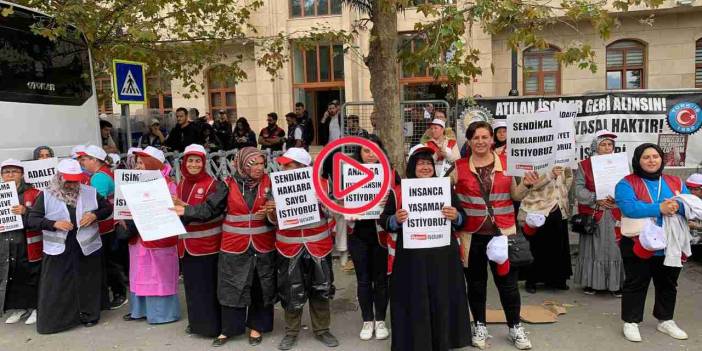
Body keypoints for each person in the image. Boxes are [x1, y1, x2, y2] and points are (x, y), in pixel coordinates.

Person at [175, 146, 276, 347]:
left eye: (261, 163)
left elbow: (281, 214)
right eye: (253, 164)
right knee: (231, 285)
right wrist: (184, 210)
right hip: (233, 245)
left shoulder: (270, 183)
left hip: (263, 244)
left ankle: (257, 326)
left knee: (260, 285)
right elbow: (209, 209)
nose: (258, 168)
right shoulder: (227, 185)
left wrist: (271, 213)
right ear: (242, 165)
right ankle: (230, 328)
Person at [453, 121, 537, 350]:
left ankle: (515, 327)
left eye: (484, 137)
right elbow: (440, 189)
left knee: (508, 284)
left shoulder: (508, 164)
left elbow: (516, 195)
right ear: (469, 141)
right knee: (476, 284)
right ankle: (479, 324)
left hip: (503, 234)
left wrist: (527, 185)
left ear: (492, 139)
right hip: (472, 236)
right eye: (475, 137)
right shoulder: (458, 167)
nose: (480, 141)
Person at [379, 145, 471, 351]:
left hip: (443, 256)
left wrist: (455, 216)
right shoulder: (399, 191)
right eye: (420, 163)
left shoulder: (445, 189)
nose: (425, 167)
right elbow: (383, 221)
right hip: (411, 258)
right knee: (415, 300)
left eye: (429, 163)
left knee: (442, 298)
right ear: (412, 166)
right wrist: (395, 219)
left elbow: (463, 220)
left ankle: (443, 341)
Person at [615, 143, 691, 342]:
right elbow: (630, 208)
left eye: (655, 156)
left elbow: (688, 204)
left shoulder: (674, 181)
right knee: (636, 282)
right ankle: (631, 322)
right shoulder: (626, 183)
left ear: (661, 159)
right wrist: (661, 208)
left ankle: (665, 320)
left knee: (668, 283)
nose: (651, 160)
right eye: (646, 157)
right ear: (638, 160)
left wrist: (675, 207)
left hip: (670, 242)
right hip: (637, 242)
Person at [28, 159, 111, 334]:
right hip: (59, 248)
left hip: (86, 246)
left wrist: (94, 215)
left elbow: (107, 209)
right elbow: (32, 219)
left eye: (76, 180)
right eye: (69, 180)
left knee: (87, 282)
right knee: (59, 285)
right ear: (60, 178)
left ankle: (89, 315)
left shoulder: (90, 191)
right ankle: (61, 320)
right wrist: (53, 223)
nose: (73, 184)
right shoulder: (46, 195)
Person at [268, 148, 339, 350]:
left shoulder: (323, 184)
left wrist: (321, 202)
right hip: (288, 247)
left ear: (302, 167)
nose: (282, 168)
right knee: (291, 291)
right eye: (282, 164)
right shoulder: (276, 186)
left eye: (288, 165)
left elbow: (335, 212)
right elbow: (271, 220)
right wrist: (272, 213)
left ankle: (322, 330)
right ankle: (291, 332)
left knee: (321, 289)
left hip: (318, 246)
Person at [167, 144, 225, 341]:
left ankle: (212, 327)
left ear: (204, 163)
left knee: (208, 288)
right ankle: (197, 324)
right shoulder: (181, 183)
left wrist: (185, 208)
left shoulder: (214, 185)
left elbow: (208, 212)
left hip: (208, 247)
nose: (193, 164)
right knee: (192, 288)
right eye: (190, 160)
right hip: (186, 246)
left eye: (197, 161)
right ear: (183, 163)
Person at [121, 146, 181, 325]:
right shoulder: (132, 183)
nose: (138, 167)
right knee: (140, 271)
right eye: (137, 163)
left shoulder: (169, 184)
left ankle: (161, 313)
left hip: (158, 237)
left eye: (142, 163)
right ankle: (139, 310)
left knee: (158, 274)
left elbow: (170, 211)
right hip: (138, 236)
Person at [346, 135, 391, 341]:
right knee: (363, 279)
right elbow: (340, 203)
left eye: (375, 150)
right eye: (366, 151)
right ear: (360, 154)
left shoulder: (392, 175)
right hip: (358, 235)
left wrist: (387, 202)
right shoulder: (350, 175)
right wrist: (348, 210)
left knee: (381, 280)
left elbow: (400, 202)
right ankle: (367, 320)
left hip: (382, 235)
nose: (371, 154)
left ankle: (380, 319)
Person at [573, 130, 624, 296]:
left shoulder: (622, 164)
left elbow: (628, 185)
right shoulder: (584, 165)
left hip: (616, 212)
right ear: (596, 146)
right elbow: (578, 190)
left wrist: (619, 198)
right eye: (603, 144)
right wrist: (596, 198)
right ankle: (591, 282)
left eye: (610, 144)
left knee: (616, 247)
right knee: (592, 248)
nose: (607, 147)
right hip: (595, 212)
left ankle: (616, 283)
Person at [78, 145, 128, 310]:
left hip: (105, 225)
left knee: (109, 262)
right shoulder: (105, 173)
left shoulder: (98, 178)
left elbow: (95, 204)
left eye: (84, 159)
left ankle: (119, 293)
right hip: (108, 223)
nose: (82, 163)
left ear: (95, 160)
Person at [518, 163, 574, 294]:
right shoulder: (531, 157)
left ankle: (557, 279)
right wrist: (550, 175)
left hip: (559, 206)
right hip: (538, 208)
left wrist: (562, 192)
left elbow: (569, 176)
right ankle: (531, 280)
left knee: (558, 245)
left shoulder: (563, 156)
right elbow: (529, 184)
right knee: (536, 246)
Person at [0, 160, 42, 325]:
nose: (10, 175)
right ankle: (20, 307)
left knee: (31, 275)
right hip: (6, 242)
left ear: (22, 174)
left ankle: (36, 307)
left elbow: (43, 216)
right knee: (13, 275)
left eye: (14, 171)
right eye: (6, 172)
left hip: (28, 242)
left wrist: (26, 211)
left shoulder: (34, 193)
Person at [686, 174, 702, 247]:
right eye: (690, 189)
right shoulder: (685, 201)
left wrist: (696, 226)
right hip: (688, 243)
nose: (692, 192)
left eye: (696, 189)